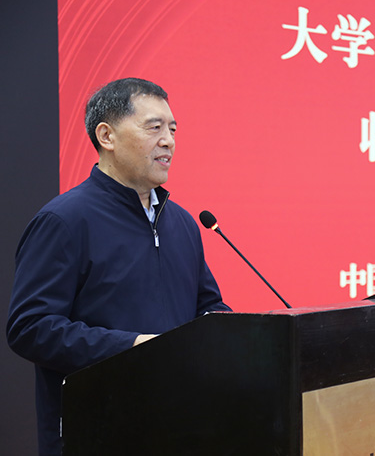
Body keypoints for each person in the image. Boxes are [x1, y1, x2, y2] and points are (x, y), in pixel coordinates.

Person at [6, 78, 231, 455]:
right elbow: (30, 327)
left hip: (179, 427)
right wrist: (133, 346)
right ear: (106, 136)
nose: (168, 141)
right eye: (154, 127)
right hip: (97, 432)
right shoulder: (65, 221)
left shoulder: (182, 223)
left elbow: (208, 308)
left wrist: (231, 335)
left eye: (173, 129)